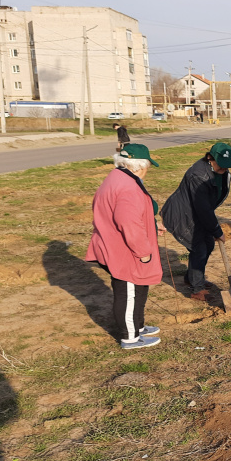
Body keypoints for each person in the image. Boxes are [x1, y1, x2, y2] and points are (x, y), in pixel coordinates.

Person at [85, 144, 165, 349]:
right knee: (128, 292)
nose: (147, 171)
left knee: (139, 286)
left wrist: (151, 224)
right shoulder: (129, 187)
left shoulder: (116, 178)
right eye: (148, 166)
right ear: (140, 166)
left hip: (114, 243)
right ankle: (130, 337)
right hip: (123, 250)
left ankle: (138, 326)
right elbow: (126, 220)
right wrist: (143, 252)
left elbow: (128, 213)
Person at [161, 142, 231, 302]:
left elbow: (207, 206)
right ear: (210, 158)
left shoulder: (219, 172)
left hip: (196, 214)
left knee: (208, 244)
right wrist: (217, 230)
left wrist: (213, 230)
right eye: (221, 165)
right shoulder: (198, 176)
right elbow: (203, 209)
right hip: (181, 215)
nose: (224, 169)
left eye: (227, 166)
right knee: (199, 248)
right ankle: (197, 289)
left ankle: (192, 277)